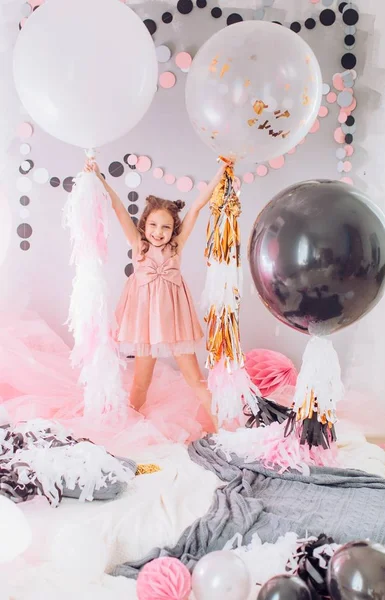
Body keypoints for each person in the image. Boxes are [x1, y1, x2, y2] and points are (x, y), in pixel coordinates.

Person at [85, 159, 231, 428]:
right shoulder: (138, 244)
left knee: (195, 378)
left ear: (173, 229)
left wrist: (220, 172)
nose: (158, 232)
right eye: (153, 225)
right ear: (144, 225)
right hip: (145, 325)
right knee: (141, 382)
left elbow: (198, 207)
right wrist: (99, 177)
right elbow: (118, 208)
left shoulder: (176, 246)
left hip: (175, 323)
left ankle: (221, 425)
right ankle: (127, 426)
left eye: (165, 227)